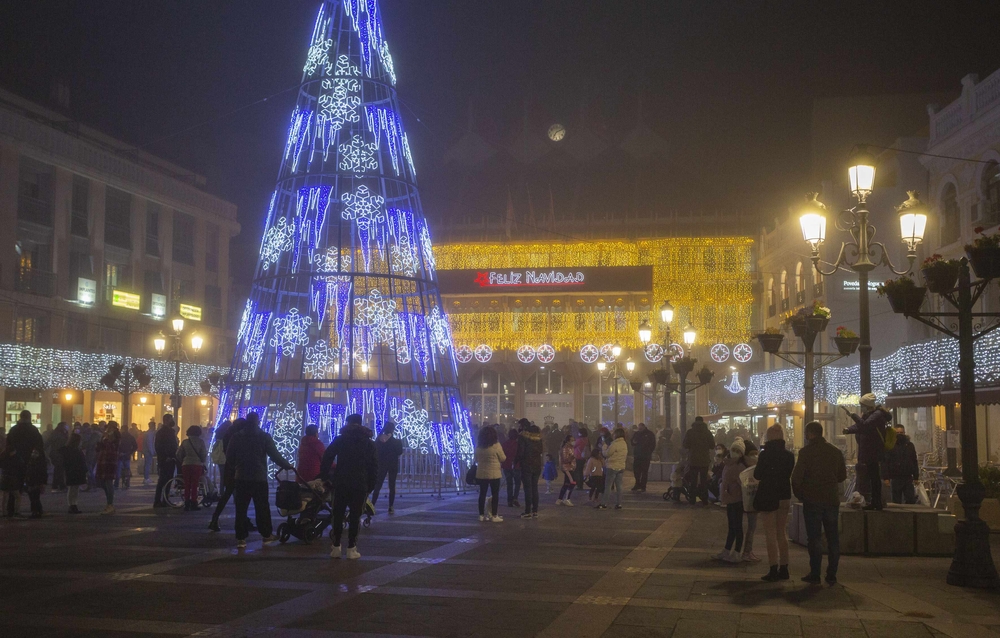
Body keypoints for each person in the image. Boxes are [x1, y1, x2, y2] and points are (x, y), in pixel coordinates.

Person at [226, 411, 293, 548]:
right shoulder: (264, 437)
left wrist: (237, 467)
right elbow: (274, 455)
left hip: (241, 477)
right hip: (259, 477)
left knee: (241, 508)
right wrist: (286, 465)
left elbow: (229, 457)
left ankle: (241, 538)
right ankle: (266, 535)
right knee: (262, 507)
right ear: (258, 421)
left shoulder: (236, 437)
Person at [792, 420, 847, 585]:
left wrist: (801, 495)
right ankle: (832, 573)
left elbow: (796, 478)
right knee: (832, 538)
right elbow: (842, 476)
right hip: (831, 499)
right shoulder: (835, 452)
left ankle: (815, 573)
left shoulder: (806, 453)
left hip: (812, 500)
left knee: (814, 538)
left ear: (809, 434)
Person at [320, 413, 377, 559]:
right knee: (355, 515)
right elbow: (374, 466)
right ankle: (352, 548)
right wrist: (370, 485)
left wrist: (325, 477)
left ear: (348, 423)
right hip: (360, 483)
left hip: (341, 482)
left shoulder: (340, 440)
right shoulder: (368, 442)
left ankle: (336, 546)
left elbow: (327, 456)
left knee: (337, 514)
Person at [754, 424, 795, 581]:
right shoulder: (789, 456)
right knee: (781, 532)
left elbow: (758, 475)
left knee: (770, 533)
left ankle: (773, 568)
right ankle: (784, 568)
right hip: (784, 495)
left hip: (768, 495)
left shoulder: (765, 455)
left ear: (769, 437)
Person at [844, 393, 891, 511]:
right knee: (872, 476)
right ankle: (874, 501)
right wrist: (848, 430)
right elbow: (860, 426)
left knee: (874, 477)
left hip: (873, 450)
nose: (861, 407)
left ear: (867, 405)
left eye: (862, 405)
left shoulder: (877, 415)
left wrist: (853, 415)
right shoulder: (870, 414)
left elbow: (864, 425)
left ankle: (877, 502)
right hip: (869, 450)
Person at [2, 410, 46, 517]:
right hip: (31, 462)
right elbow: (39, 447)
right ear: (29, 417)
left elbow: (8, 446)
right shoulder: (33, 430)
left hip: (15, 462)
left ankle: (11, 510)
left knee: (14, 488)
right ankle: (36, 509)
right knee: (32, 487)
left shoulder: (14, 430)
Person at [716, 439, 748, 563]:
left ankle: (736, 552)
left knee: (737, 527)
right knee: (731, 527)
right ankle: (727, 550)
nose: (734, 452)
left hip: (737, 500)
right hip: (730, 499)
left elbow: (743, 484)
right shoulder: (728, 463)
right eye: (734, 449)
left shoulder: (739, 467)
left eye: (738, 451)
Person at [474, 425, 505, 522]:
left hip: (482, 472)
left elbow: (476, 459)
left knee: (482, 494)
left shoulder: (479, 446)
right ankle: (494, 515)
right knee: (495, 494)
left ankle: (481, 515)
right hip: (494, 473)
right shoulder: (497, 446)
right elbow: (503, 458)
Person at [683, 416, 715, 504]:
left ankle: (692, 499)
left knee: (693, 480)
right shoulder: (707, 432)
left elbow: (685, 445)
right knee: (704, 480)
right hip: (704, 459)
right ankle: (704, 499)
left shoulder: (690, 432)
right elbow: (712, 445)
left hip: (693, 459)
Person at [372, 421, 403, 514]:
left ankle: (373, 503)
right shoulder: (396, 442)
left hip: (381, 464)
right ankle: (391, 506)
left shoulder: (378, 440)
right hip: (393, 464)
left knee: (378, 485)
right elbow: (399, 452)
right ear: (392, 430)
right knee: (392, 485)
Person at [515, 418, 544, 519]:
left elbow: (521, 452)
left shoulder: (524, 438)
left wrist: (516, 461)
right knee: (534, 488)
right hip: (537, 465)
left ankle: (527, 511)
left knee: (528, 488)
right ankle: (535, 511)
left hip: (526, 465)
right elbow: (541, 451)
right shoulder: (539, 440)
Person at [884, 424, 919, 504]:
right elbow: (886, 462)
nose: (899, 435)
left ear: (904, 433)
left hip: (908, 477)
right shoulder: (891, 445)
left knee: (910, 500)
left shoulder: (910, 445)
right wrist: (886, 477)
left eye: (901, 433)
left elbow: (914, 461)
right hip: (895, 477)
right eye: (897, 433)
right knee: (896, 501)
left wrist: (916, 476)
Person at [177, 425, 208, 511]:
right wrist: (202, 461)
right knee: (195, 484)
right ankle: (194, 502)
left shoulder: (185, 442)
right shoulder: (201, 442)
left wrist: (183, 460)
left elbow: (179, 454)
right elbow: (203, 454)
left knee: (187, 484)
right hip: (197, 465)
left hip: (186, 464)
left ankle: (186, 502)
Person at [95, 421, 121, 515]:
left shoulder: (115, 437)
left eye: (110, 427)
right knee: (101, 481)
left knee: (108, 481)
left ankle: (110, 504)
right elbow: (100, 447)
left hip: (110, 461)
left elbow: (111, 447)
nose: (108, 429)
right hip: (103, 460)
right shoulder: (105, 436)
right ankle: (109, 503)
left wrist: (106, 439)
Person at [154, 415, 179, 507]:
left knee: (168, 480)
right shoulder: (163, 432)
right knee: (163, 480)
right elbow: (159, 446)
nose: (173, 421)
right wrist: (166, 456)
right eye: (171, 419)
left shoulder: (168, 431)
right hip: (166, 459)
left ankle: (165, 499)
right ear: (167, 420)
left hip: (169, 458)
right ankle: (158, 500)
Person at [600, 428, 628, 510]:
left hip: (612, 466)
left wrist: (604, 446)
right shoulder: (624, 443)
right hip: (621, 466)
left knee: (608, 486)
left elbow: (606, 454)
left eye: (614, 433)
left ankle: (604, 503)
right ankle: (619, 504)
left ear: (617, 434)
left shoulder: (615, 444)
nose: (613, 435)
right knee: (619, 486)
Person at [63, 432, 88, 514]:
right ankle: (72, 505)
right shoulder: (74, 450)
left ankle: (73, 505)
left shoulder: (68, 450)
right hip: (75, 470)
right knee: (73, 489)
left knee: (73, 488)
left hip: (73, 470)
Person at [629, 423, 656, 492]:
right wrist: (633, 442)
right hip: (638, 455)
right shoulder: (637, 433)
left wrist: (649, 451)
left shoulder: (649, 434)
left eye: (640, 428)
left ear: (644, 427)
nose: (639, 429)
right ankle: (637, 483)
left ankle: (643, 485)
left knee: (644, 471)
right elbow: (632, 442)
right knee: (636, 471)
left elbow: (653, 444)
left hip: (645, 455)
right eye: (639, 428)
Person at [500, 429, 521, 508]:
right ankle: (515, 498)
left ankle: (509, 500)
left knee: (509, 484)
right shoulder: (518, 444)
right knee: (517, 483)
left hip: (506, 465)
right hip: (516, 465)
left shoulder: (504, 444)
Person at [555, 435, 576, 506]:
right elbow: (565, 459)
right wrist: (572, 457)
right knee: (572, 482)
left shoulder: (572, 448)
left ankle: (560, 499)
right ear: (568, 441)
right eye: (572, 440)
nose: (573, 441)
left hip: (571, 467)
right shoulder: (565, 448)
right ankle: (567, 499)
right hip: (567, 468)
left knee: (566, 484)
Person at [48, 422, 69, 492]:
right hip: (58, 453)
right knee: (59, 470)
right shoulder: (59, 434)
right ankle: (57, 486)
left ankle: (58, 485)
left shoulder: (57, 433)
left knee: (59, 470)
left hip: (58, 453)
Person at [116, 423, 137, 489]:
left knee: (118, 471)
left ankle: (116, 484)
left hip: (120, 455)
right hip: (127, 455)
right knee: (127, 470)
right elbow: (135, 446)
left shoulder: (119, 437)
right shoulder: (131, 437)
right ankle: (127, 483)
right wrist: (130, 452)